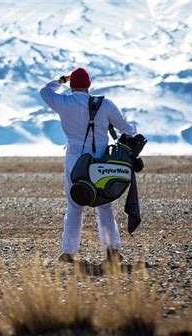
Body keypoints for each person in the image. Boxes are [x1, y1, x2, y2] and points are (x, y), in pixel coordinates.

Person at [40, 67, 137, 264]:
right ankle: (112, 250)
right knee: (104, 205)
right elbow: (128, 130)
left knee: (74, 206)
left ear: (72, 85)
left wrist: (61, 80)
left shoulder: (64, 103)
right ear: (89, 85)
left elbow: (44, 91)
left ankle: (68, 252)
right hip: (101, 162)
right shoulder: (105, 104)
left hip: (75, 161)